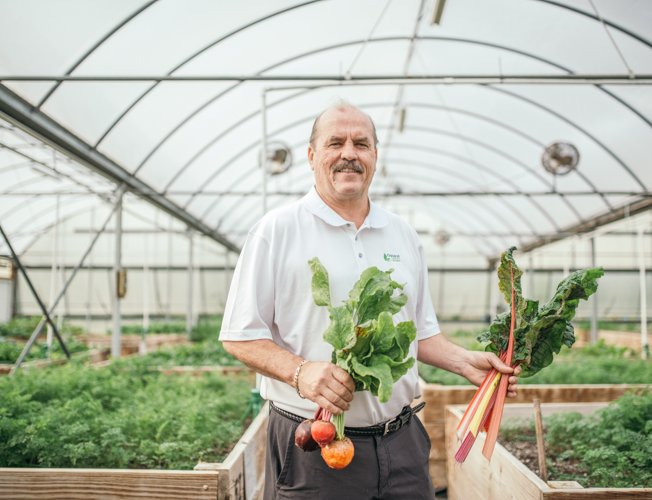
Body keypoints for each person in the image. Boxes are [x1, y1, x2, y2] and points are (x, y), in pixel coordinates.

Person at [220, 101, 520, 499]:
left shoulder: (403, 235)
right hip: (318, 445)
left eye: (361, 144)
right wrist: (300, 372)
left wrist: (465, 362)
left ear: (375, 157)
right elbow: (239, 335)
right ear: (312, 157)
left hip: (403, 443)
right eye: (335, 143)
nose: (349, 153)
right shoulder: (276, 231)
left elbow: (419, 333)